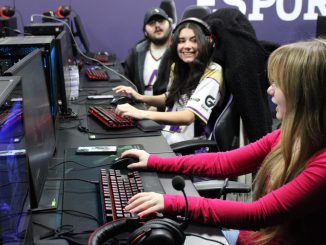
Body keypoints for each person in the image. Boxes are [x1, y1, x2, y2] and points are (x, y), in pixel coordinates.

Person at [119, 39, 326, 245]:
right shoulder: (288, 136)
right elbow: (224, 162)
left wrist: (171, 202)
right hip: (249, 238)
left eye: (279, 84)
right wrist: (154, 161)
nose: (270, 91)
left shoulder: (322, 164)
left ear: (304, 94)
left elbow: (258, 214)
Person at [114, 18, 223, 145]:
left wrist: (141, 113)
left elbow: (188, 117)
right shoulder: (178, 67)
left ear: (208, 42)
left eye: (194, 40)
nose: (187, 46)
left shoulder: (214, 71)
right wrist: (140, 97)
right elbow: (170, 98)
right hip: (166, 136)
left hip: (189, 147)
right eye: (181, 41)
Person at [123, 7, 172, 96]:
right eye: (151, 23)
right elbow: (126, 79)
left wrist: (158, 107)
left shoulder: (179, 52)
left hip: (168, 108)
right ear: (145, 31)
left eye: (161, 21)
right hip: (140, 107)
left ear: (169, 25)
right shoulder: (137, 52)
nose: (157, 25)